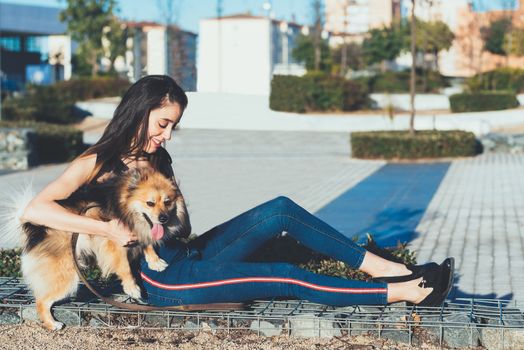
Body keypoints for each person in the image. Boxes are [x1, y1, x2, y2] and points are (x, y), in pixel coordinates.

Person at [22, 75, 454, 309]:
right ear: (140, 113)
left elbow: (181, 228)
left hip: (185, 255)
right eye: (162, 124)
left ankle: (381, 267)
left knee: (280, 210)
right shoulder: (97, 161)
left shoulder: (160, 162)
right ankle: (403, 290)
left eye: (173, 126)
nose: (168, 135)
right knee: (286, 278)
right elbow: (37, 209)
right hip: (160, 280)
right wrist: (110, 230)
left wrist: (176, 209)